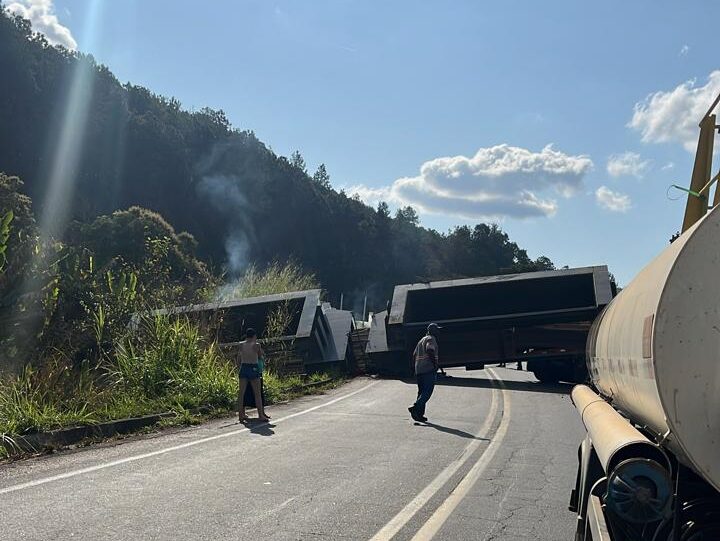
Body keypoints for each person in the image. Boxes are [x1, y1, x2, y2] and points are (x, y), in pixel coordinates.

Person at [408, 323, 441, 422]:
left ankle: (419, 415)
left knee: (421, 392)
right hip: (428, 369)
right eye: (437, 330)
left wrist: (415, 368)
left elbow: (414, 355)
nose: (438, 332)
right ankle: (415, 407)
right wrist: (435, 364)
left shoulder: (421, 340)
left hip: (419, 370)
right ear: (432, 331)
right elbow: (430, 349)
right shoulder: (431, 339)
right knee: (427, 391)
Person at [237, 328, 270, 423]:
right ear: (254, 336)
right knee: (257, 393)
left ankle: (240, 415)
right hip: (253, 367)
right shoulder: (256, 345)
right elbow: (260, 356)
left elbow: (239, 359)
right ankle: (260, 415)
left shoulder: (241, 345)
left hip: (244, 367)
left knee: (241, 393)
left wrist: (239, 367)